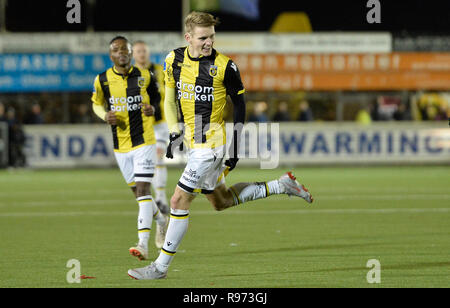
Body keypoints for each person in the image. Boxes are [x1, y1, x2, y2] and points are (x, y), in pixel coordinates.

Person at [127, 11, 313, 281]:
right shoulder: (173, 59)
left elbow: (240, 106)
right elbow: (169, 100)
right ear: (188, 37)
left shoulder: (226, 66)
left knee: (179, 200)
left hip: (211, 144)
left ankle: (160, 267)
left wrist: (235, 146)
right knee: (220, 201)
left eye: (212, 37)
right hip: (192, 141)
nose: (208, 42)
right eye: (203, 37)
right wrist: (174, 133)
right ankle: (281, 185)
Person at [91, 36, 168, 262]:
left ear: (131, 53)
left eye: (125, 49)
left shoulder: (145, 76)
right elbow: (96, 103)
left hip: (144, 141)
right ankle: (162, 221)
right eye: (116, 49)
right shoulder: (102, 80)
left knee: (144, 191)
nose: (121, 52)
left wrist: (152, 109)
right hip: (120, 146)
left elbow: (156, 100)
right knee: (139, 194)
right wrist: (104, 114)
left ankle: (142, 244)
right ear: (111, 55)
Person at [132, 41, 171, 244]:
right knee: (139, 178)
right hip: (140, 127)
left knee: (158, 156)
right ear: (133, 54)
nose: (141, 54)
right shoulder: (130, 74)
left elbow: (168, 93)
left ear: (148, 52)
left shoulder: (159, 71)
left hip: (160, 123)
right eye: (138, 51)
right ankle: (160, 219)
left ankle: (162, 198)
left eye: (144, 50)